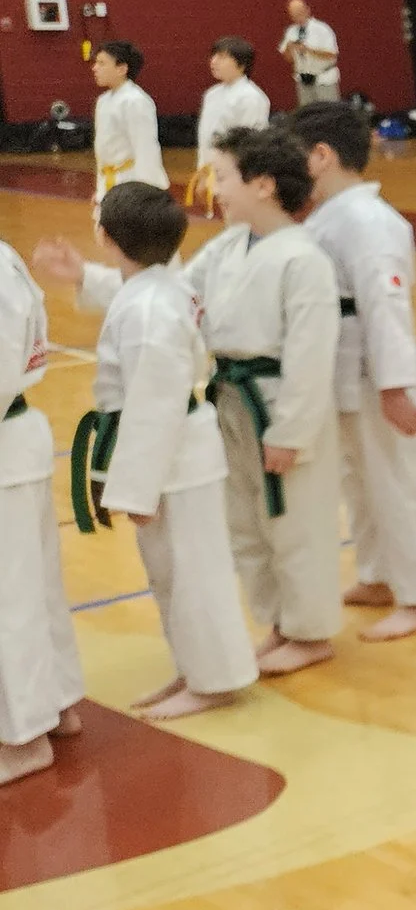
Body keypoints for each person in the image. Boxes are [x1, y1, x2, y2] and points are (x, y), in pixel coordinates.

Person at [67, 126, 343, 694]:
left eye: (221, 175)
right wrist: (86, 278)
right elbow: (165, 291)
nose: (211, 187)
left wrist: (291, 431)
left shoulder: (305, 257)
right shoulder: (226, 247)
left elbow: (313, 355)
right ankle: (279, 622)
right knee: (246, 523)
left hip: (278, 402)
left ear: (263, 185)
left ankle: (311, 630)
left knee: (295, 523)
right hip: (230, 401)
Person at [40, 186, 254, 726]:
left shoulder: (150, 308)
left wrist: (136, 489)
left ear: (106, 237)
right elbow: (128, 289)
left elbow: (154, 405)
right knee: (171, 573)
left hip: (173, 454)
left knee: (192, 573)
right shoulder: (157, 287)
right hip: (176, 452)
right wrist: (83, 276)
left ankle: (216, 680)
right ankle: (194, 668)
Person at [292, 102, 416, 642]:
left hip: (377, 370)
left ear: (322, 156)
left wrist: (395, 386)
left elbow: (386, 306)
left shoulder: (366, 220)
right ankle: (378, 574)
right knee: (360, 481)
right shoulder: (331, 216)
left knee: (393, 482)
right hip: (345, 367)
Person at [0, 232, 84, 780]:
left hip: (5, 439)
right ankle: (59, 704)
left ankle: (23, 738)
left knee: (10, 598)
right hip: (14, 444)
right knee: (34, 586)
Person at [192, 36, 272, 209]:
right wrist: (203, 172)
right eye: (213, 56)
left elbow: (251, 142)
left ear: (241, 65)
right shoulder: (212, 94)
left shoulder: (251, 97)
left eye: (222, 57)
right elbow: (205, 137)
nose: (213, 62)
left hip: (239, 173)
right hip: (215, 170)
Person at [89, 39, 166, 203]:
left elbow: (145, 148)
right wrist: (101, 189)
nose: (95, 68)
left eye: (102, 63)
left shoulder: (135, 101)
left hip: (131, 183)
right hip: (110, 183)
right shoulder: (103, 101)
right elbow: (103, 152)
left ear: (122, 69)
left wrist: (147, 192)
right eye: (96, 63)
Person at [280, 0, 340, 104]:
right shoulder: (291, 31)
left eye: (299, 12)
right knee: (307, 115)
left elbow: (332, 55)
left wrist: (308, 50)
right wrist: (289, 48)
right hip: (303, 80)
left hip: (323, 79)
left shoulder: (322, 29)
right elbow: (288, 59)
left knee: (328, 113)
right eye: (293, 14)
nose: (297, 16)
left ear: (307, 10)